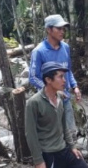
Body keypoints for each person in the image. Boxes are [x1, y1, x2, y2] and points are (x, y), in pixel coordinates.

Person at [29, 14, 81, 146]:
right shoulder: (39, 51)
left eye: (64, 29)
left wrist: (74, 86)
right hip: (48, 102)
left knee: (70, 132)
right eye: (59, 28)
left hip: (66, 98)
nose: (62, 32)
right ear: (49, 30)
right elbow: (33, 77)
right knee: (53, 135)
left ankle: (72, 155)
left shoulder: (65, 47)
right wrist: (50, 91)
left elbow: (67, 70)